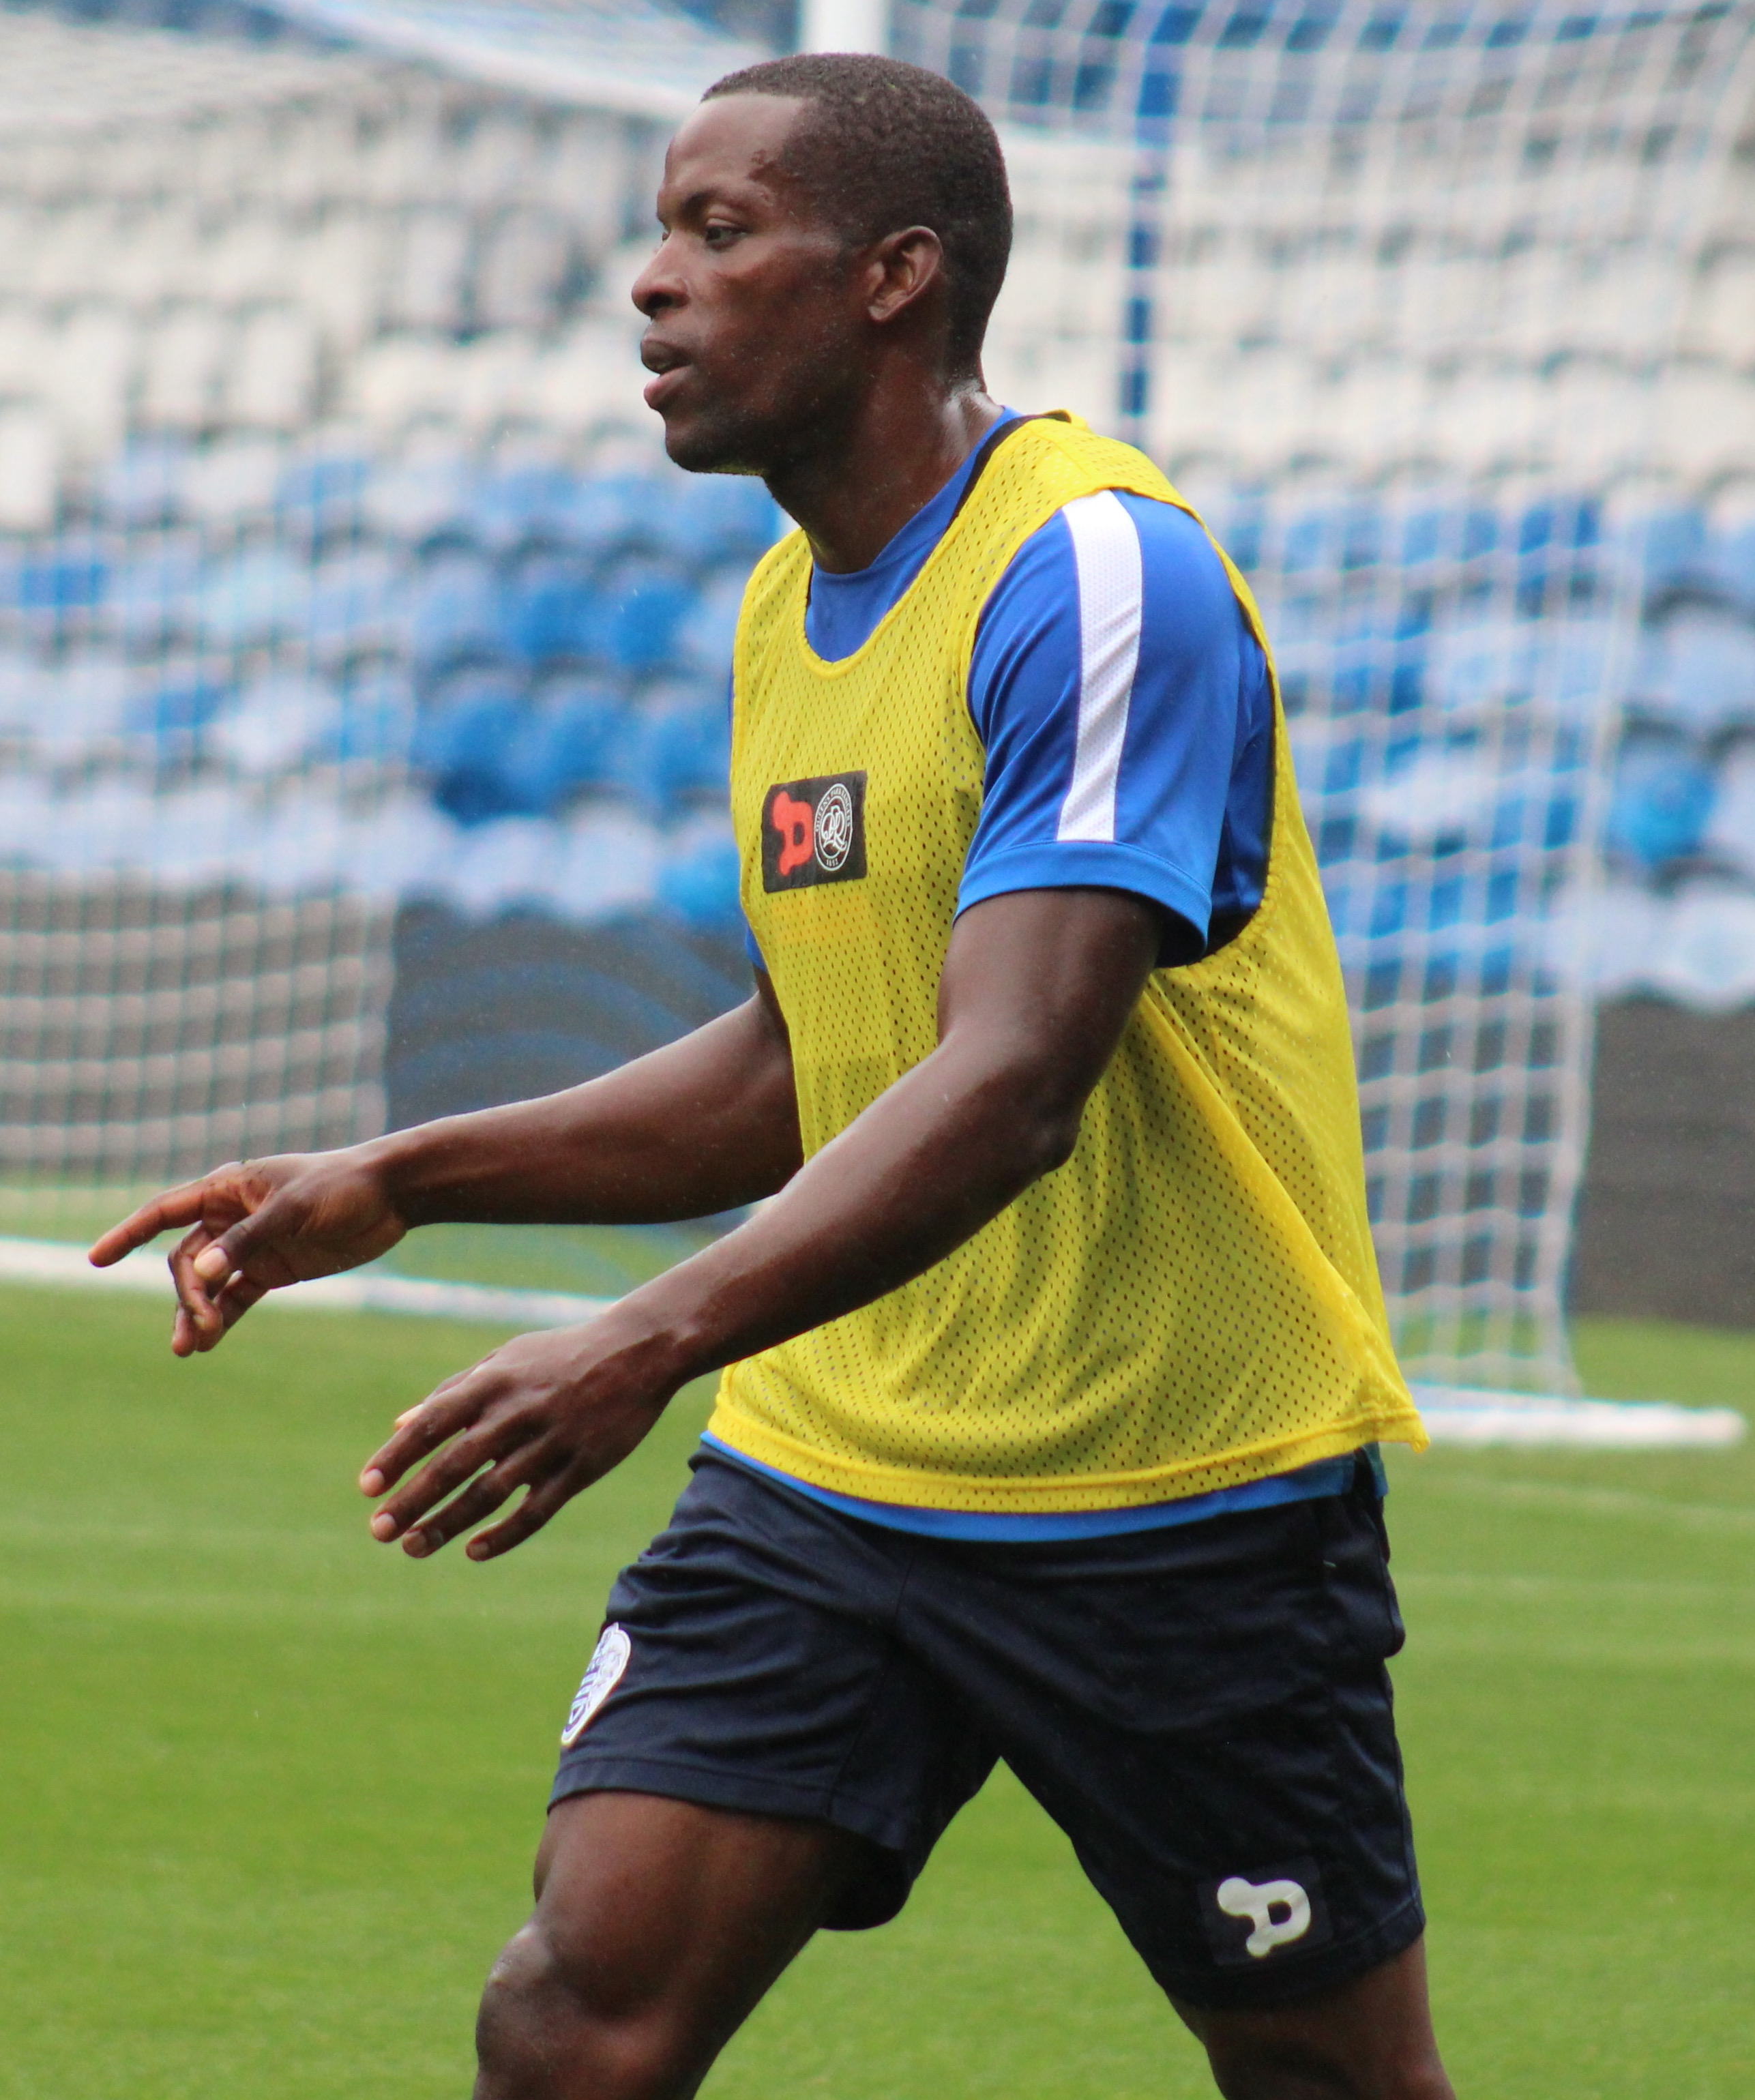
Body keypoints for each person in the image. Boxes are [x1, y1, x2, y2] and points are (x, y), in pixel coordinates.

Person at [93, 53, 1454, 2100]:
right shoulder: (781, 610)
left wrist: (639, 1340)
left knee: (1321, 2077)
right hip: (832, 1473)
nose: (653, 284)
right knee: (576, 2016)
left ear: (897, 275)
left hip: (1170, 1496)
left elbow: (1010, 1081)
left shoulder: (1095, 579)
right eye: (662, 230)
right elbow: (811, 1057)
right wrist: (405, 1175)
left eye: (718, 234)